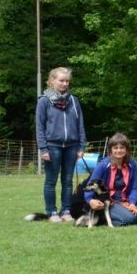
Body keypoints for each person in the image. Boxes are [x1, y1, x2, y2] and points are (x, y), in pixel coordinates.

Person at [35, 67, 87, 222]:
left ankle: (66, 211)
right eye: (61, 80)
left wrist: (82, 146)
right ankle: (51, 212)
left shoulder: (73, 101)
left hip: (72, 146)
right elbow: (39, 126)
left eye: (67, 81)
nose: (64, 84)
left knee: (68, 181)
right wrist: (43, 148)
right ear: (52, 81)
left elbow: (80, 124)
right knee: (51, 181)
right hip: (52, 146)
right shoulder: (44, 101)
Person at [85, 133, 137, 226]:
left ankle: (119, 218)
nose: (119, 150)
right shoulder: (103, 165)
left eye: (122, 148)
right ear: (111, 150)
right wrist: (90, 200)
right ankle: (103, 217)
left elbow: (134, 187)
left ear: (126, 149)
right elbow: (91, 184)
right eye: (115, 148)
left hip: (126, 200)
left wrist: (132, 203)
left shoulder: (132, 164)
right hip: (110, 201)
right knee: (130, 218)